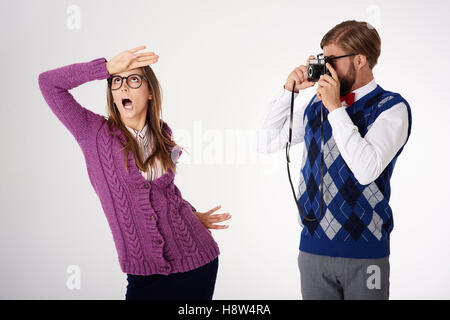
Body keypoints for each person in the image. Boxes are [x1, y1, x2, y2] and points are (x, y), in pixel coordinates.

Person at [38, 45, 231, 300]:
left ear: (150, 92)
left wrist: (192, 215)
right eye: (117, 81)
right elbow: (49, 84)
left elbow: (165, 193)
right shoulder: (94, 134)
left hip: (196, 262)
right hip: (142, 277)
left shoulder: (164, 136)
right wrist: (105, 68)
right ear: (112, 94)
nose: (124, 87)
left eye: (134, 79)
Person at [257, 20, 412, 300]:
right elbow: (266, 141)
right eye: (323, 59)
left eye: (332, 60)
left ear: (360, 60)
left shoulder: (391, 108)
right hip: (313, 249)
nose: (326, 67)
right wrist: (288, 91)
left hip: (365, 253)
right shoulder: (317, 104)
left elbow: (366, 170)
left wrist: (335, 108)